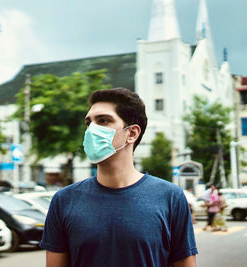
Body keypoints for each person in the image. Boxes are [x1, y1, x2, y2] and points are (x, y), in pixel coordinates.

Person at [40, 88, 198, 267]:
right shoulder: (64, 200)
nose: (92, 130)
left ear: (132, 133)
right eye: (89, 123)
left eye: (103, 121)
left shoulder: (171, 198)